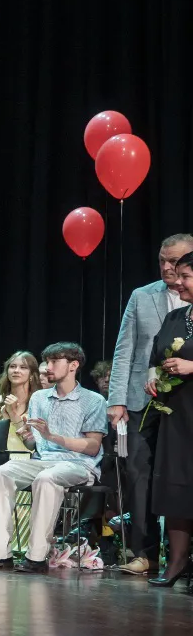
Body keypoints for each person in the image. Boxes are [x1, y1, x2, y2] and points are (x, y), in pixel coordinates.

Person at [0, 342, 107, 573]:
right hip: (42, 460)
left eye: (54, 362)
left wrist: (53, 436)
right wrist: (27, 433)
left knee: (47, 478)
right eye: (47, 361)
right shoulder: (39, 398)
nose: (48, 367)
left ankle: (36, 558)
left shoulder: (93, 400)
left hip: (78, 464)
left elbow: (92, 446)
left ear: (73, 365)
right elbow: (35, 444)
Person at [109, 233, 193, 575]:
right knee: (138, 473)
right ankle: (144, 553)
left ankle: (180, 555)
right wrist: (116, 400)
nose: (167, 267)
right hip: (141, 400)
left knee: (179, 475)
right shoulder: (142, 296)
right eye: (162, 260)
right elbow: (124, 349)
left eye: (175, 261)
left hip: (185, 404)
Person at [146, 250, 193, 589]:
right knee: (176, 485)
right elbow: (155, 354)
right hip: (177, 414)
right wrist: (152, 374)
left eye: (186, 277)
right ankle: (176, 561)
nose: (178, 283)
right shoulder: (176, 317)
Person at [0, 351, 40, 458]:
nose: (16, 370)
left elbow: (35, 444)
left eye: (23, 367)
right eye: (12, 366)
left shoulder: (38, 403)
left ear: (31, 375)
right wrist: (5, 418)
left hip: (29, 460)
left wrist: (13, 414)